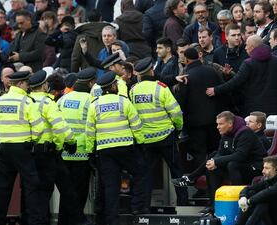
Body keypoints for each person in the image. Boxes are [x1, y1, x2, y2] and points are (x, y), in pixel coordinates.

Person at [85, 71, 146, 224]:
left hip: (104, 150)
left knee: (111, 185)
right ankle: (136, 208)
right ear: (113, 86)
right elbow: (136, 125)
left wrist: (90, 151)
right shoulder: (124, 102)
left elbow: (89, 131)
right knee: (141, 173)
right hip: (125, 147)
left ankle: (112, 219)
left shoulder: (95, 105)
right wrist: (140, 143)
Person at [130, 57, 188, 208]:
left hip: (146, 140)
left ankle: (144, 207)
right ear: (151, 70)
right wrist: (178, 128)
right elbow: (176, 112)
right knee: (177, 172)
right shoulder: (161, 88)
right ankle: (183, 205)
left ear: (140, 74)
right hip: (166, 137)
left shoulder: (133, 90)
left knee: (146, 174)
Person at [28, 69, 77, 225]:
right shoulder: (47, 103)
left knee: (32, 190)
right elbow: (61, 128)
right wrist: (70, 142)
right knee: (47, 189)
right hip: (47, 152)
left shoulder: (26, 100)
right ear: (44, 86)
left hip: (27, 152)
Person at [0, 71, 45, 225]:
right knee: (32, 185)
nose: (28, 86)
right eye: (26, 83)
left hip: (3, 148)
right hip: (23, 149)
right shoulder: (26, 102)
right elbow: (39, 127)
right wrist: (34, 141)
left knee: (3, 188)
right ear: (20, 84)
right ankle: (33, 221)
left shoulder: (1, 101)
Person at [207, 35, 277, 117]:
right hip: (274, 107)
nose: (245, 48)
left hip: (254, 111)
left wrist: (216, 90)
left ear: (253, 47)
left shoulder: (248, 63)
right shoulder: (276, 60)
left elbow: (235, 82)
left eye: (247, 45)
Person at [56, 68, 97, 225]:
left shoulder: (63, 99)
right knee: (79, 193)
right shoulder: (90, 100)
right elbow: (92, 127)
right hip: (82, 154)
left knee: (66, 193)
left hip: (64, 153)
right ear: (91, 82)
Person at [177, 47, 225, 168]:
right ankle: (216, 181)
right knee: (215, 151)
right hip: (215, 120)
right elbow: (224, 90)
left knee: (199, 154)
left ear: (187, 60)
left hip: (195, 124)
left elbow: (181, 100)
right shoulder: (212, 71)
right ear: (198, 57)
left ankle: (203, 182)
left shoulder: (186, 76)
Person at [236, 155, 277, 225]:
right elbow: (248, 188)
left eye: (267, 168)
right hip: (276, 215)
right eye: (263, 168)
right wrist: (243, 197)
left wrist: (248, 202)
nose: (263, 171)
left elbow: (266, 194)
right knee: (251, 193)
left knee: (264, 201)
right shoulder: (270, 180)